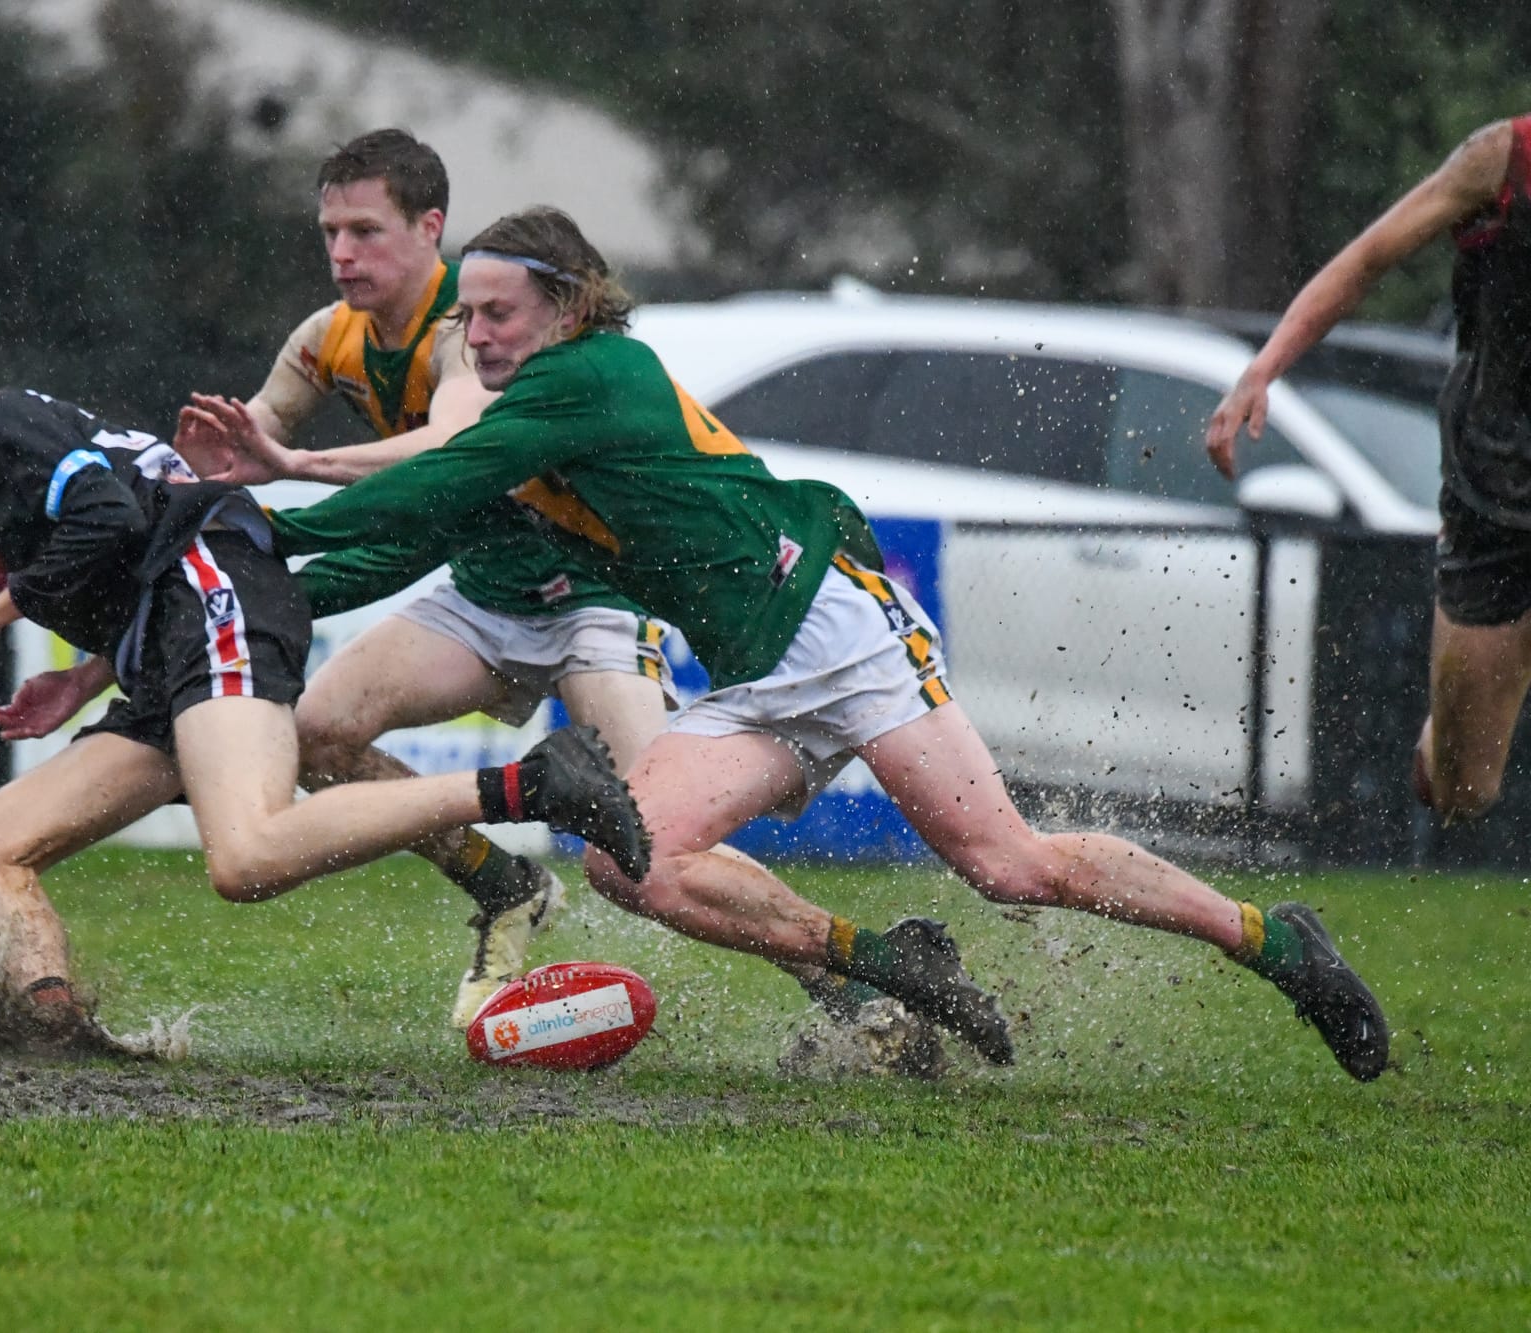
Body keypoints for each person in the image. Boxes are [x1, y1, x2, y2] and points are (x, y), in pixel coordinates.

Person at [262, 206, 1394, 1081]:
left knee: (1007, 865)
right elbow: (428, 521)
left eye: (496, 313)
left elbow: (435, 480)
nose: (476, 333)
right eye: (468, 317)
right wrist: (263, 565)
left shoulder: (586, 374)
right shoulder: (528, 408)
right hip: (756, 672)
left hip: (836, 631)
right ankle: (883, 963)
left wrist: (263, 522)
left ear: (565, 310)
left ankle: (1270, 943)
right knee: (626, 861)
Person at [181, 128, 935, 1053]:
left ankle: (854, 985)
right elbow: (329, 495)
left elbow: (445, 464)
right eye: (330, 231)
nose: (342, 254)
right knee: (319, 732)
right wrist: (238, 558)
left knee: (652, 839)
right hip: (484, 598)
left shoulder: (482, 339)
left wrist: (287, 502)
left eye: (364, 231)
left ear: (432, 230)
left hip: (592, 604)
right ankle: (499, 881)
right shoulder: (327, 341)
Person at [0, 379, 648, 1055]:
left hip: (217, 589)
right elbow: (122, 543)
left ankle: (535, 782)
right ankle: (51, 1029)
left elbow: (112, 514)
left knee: (248, 854)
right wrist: (83, 679)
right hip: (166, 644)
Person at [1208, 115, 1531, 827]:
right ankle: (1443, 737)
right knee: (1465, 789)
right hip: (1497, 499)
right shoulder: (1504, 160)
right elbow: (1367, 260)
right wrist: (1263, 369)